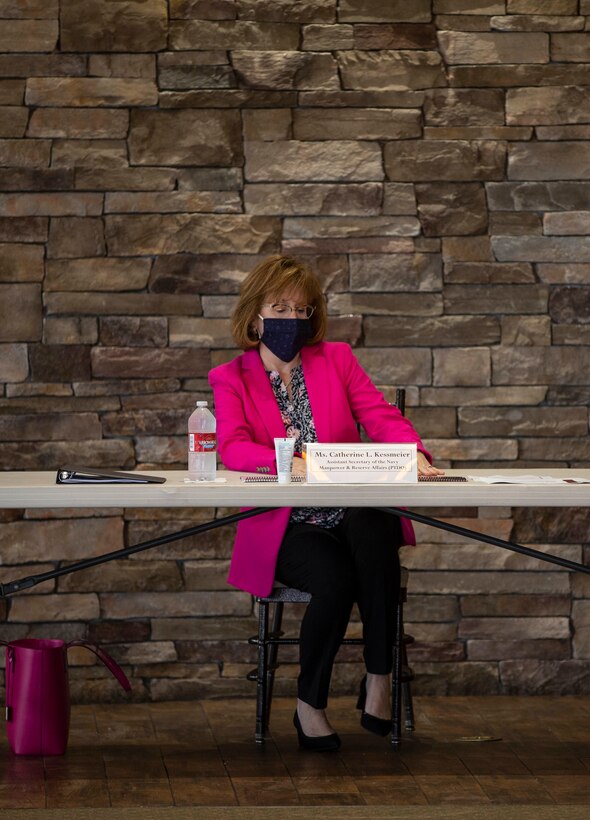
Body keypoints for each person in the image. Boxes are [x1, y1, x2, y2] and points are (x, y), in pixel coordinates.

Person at [208, 254, 443, 751]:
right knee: (335, 579)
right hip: (289, 524)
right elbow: (231, 447)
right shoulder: (231, 377)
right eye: (280, 308)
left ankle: (380, 676)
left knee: (376, 531)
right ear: (255, 317)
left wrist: (412, 452)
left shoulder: (335, 358)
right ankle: (308, 705)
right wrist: (288, 462)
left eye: (302, 310)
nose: (292, 320)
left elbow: (380, 417)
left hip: (349, 508)